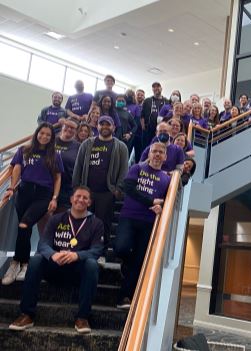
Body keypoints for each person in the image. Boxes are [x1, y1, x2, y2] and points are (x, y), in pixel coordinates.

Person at [8, 186, 104, 334]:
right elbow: (43, 243)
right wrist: (53, 254)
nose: (81, 200)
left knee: (92, 264)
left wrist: (77, 256)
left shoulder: (96, 223)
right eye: (78, 196)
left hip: (77, 272)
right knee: (36, 260)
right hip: (55, 267)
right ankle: (26, 314)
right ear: (71, 199)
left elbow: (97, 250)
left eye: (85, 198)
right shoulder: (56, 219)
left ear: (89, 203)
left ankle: (83, 318)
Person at [2, 123, 64, 285]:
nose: (44, 136)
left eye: (48, 135)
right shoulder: (24, 150)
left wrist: (54, 198)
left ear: (51, 138)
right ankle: (22, 265)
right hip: (24, 192)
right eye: (41, 133)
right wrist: (11, 188)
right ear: (37, 133)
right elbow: (16, 169)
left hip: (43, 195)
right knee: (25, 229)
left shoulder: (54, 155)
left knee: (24, 225)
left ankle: (16, 262)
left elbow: (57, 178)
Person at [113, 143, 171, 309]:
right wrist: (151, 201)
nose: (157, 154)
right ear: (149, 153)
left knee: (139, 260)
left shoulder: (166, 178)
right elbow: (129, 189)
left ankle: (124, 297)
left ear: (165, 157)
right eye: (154, 151)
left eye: (161, 152)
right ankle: (125, 267)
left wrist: (161, 206)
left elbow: (166, 200)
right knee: (121, 248)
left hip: (149, 221)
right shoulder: (137, 168)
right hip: (129, 216)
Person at [72, 116, 129, 262]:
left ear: (113, 127)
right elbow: (78, 166)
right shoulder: (87, 143)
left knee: (104, 224)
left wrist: (117, 190)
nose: (104, 127)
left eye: (107, 125)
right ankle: (82, 250)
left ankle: (101, 253)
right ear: (97, 126)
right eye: (101, 124)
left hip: (106, 192)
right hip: (86, 191)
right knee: (83, 222)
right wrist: (76, 188)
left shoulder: (120, 146)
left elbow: (124, 170)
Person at [128, 89, 145, 164]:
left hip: (140, 135)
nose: (140, 96)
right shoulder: (131, 106)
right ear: (135, 96)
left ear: (144, 97)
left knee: (138, 155)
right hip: (130, 133)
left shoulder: (145, 107)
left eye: (141, 95)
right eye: (138, 94)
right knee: (127, 153)